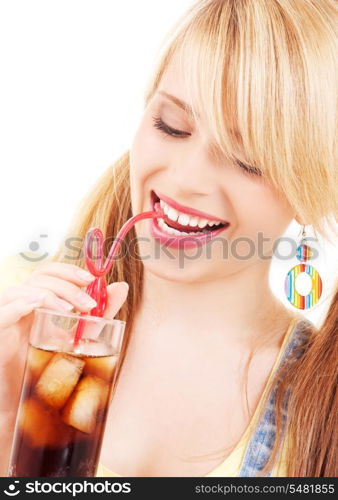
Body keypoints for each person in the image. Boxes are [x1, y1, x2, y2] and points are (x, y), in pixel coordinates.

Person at [0, 0, 337, 477]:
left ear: (313, 187)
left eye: (248, 159)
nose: (185, 178)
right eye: (171, 126)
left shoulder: (323, 416)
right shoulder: (13, 305)